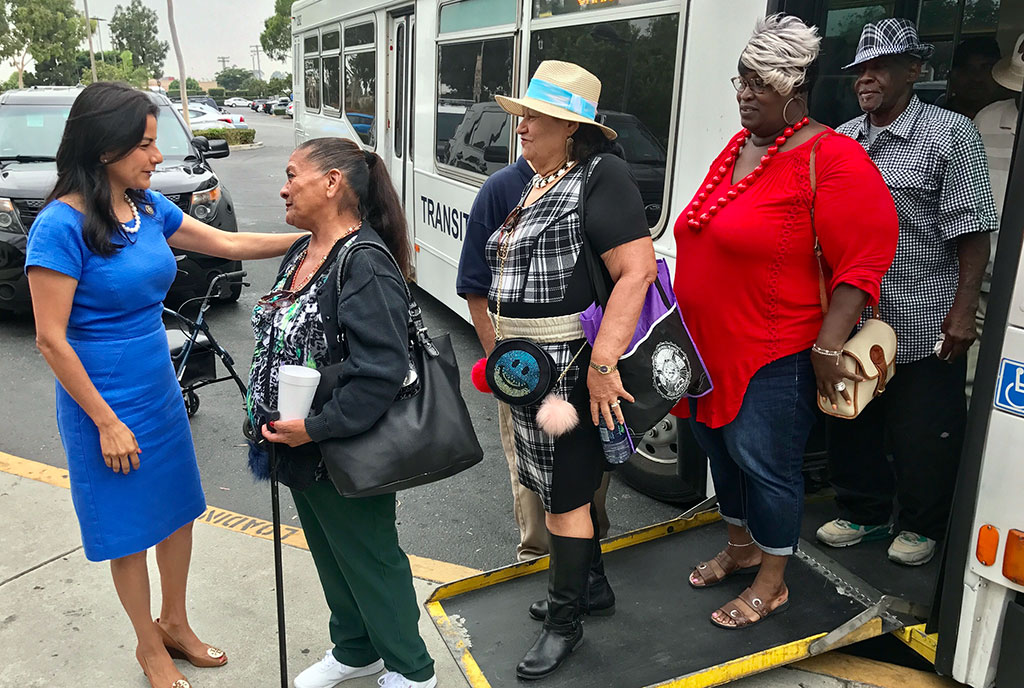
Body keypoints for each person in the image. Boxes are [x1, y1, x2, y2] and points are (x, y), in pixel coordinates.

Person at [25, 82, 305, 688]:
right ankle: (148, 645)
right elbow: (51, 339)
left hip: (158, 388)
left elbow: (225, 243)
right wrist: (106, 422)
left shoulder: (147, 207)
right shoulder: (59, 227)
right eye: (146, 145)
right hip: (101, 402)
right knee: (128, 530)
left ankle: (174, 621)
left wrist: (320, 240)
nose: (157, 157)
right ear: (106, 147)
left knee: (179, 512)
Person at [673, 14, 897, 629]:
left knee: (766, 466)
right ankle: (742, 548)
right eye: (741, 81)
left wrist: (827, 347)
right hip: (707, 348)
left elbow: (865, 258)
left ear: (794, 88)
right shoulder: (740, 148)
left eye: (760, 84)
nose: (745, 94)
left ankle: (772, 582)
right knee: (720, 452)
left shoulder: (833, 157)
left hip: (773, 350)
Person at [488, 60, 657, 679]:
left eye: (535, 117)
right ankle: (592, 587)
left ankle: (565, 625)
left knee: (564, 497)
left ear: (571, 127)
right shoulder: (539, 181)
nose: (522, 126)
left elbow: (636, 271)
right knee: (555, 486)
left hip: (571, 369)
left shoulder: (601, 174)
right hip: (534, 373)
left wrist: (604, 363)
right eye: (523, 115)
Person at [250, 137, 436, 688]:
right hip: (299, 442)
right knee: (333, 554)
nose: (283, 188)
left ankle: (412, 670)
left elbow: (381, 371)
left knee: (370, 558)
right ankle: (356, 650)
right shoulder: (304, 250)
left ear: (332, 183)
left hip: (341, 443)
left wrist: (316, 428)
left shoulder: (364, 263)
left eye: (293, 175)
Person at [817, 18, 998, 566]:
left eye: (880, 68)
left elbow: (973, 234)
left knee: (923, 429)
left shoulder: (950, 135)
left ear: (914, 70)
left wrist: (964, 313)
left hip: (921, 314)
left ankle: (921, 524)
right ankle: (864, 512)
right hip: (851, 313)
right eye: (860, 70)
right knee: (852, 417)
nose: (866, 79)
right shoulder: (843, 138)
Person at [457, 154, 613, 563]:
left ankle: (584, 564)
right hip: (521, 367)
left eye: (534, 121)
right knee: (531, 482)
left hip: (584, 364)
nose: (523, 128)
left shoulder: (594, 181)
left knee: (589, 479)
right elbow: (476, 286)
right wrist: (501, 364)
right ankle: (538, 559)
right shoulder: (502, 187)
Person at [942, 36, 1006, 119]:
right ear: (952, 76)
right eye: (967, 69)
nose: (977, 78)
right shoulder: (934, 121)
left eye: (986, 68)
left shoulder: (1015, 119)